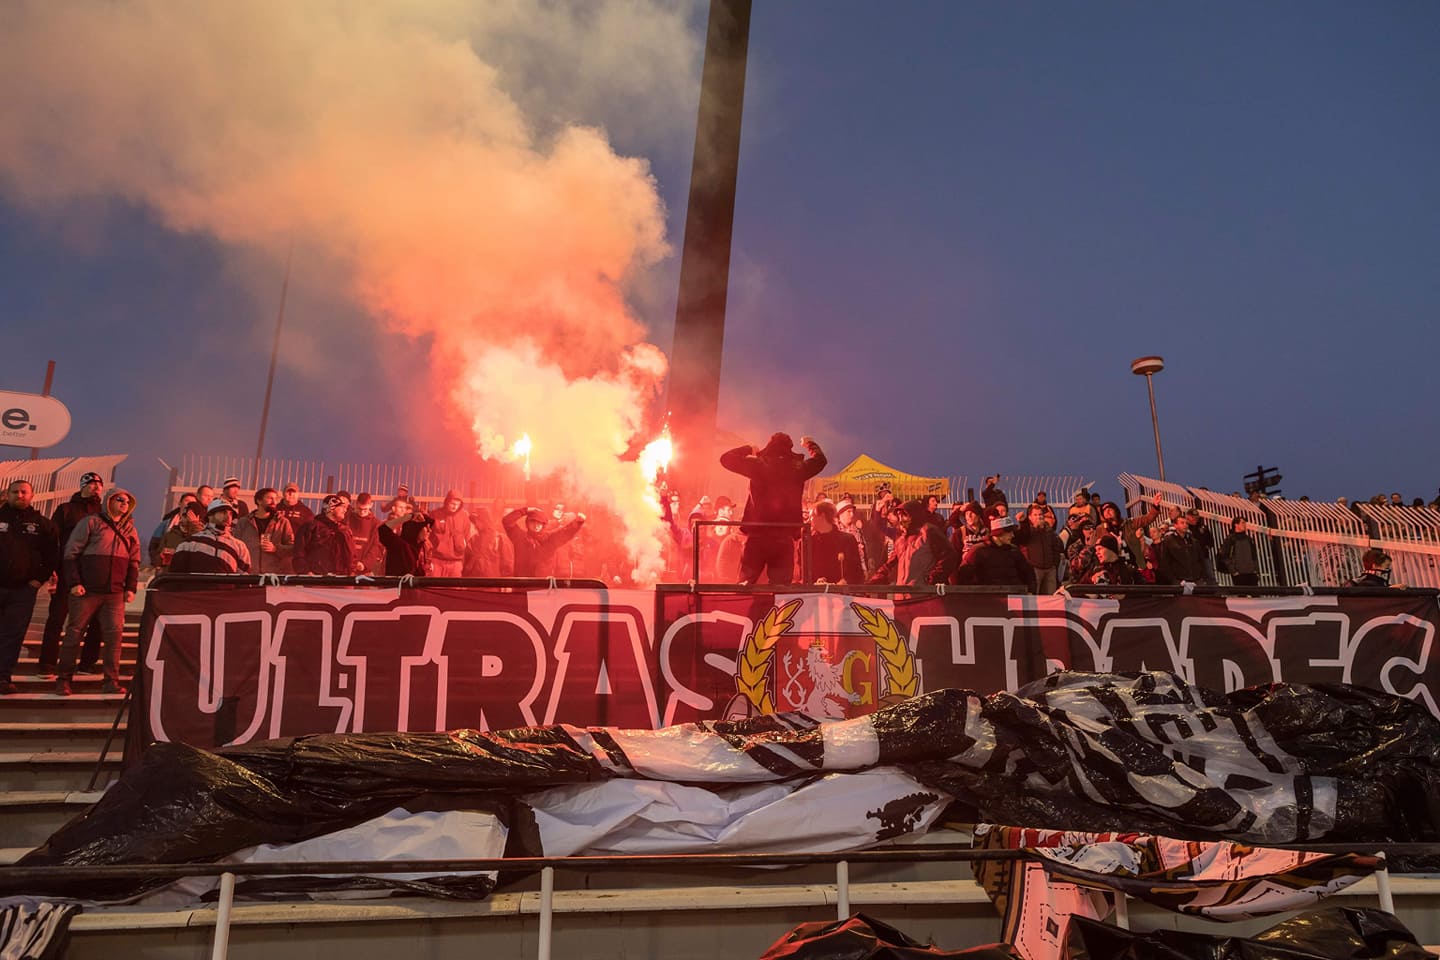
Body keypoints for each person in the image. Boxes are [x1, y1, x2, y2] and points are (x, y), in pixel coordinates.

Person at [56, 486, 141, 695]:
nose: (124, 503)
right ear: (108, 501)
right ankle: (63, 679)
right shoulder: (90, 522)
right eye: (119, 499)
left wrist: (130, 587)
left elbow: (134, 561)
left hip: (115, 593)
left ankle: (111, 681)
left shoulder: (130, 530)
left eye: (127, 501)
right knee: (74, 634)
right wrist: (74, 583)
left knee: (114, 638)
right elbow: (71, 553)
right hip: (87, 590)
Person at [719, 433, 827, 585]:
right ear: (789, 448)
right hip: (783, 538)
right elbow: (821, 460)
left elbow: (726, 458)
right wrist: (810, 444)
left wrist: (749, 449)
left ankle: (744, 599)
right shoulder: (798, 468)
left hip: (757, 536)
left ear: (769, 446)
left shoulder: (758, 465)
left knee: (746, 584)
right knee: (781, 588)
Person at [38, 470, 106, 677]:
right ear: (83, 486)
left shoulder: (104, 511)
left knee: (96, 621)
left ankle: (87, 663)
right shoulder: (66, 509)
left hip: (95, 573)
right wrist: (52, 568)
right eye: (92, 483)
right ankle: (47, 663)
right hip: (68, 571)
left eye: (99, 484)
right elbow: (52, 540)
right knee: (57, 618)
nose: (96, 487)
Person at [0, 481, 59, 695]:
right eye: (15, 492)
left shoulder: (43, 525)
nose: (19, 495)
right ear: (7, 494)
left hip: (22, 591)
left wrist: (37, 581)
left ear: (32, 495)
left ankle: (3, 677)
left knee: (12, 635)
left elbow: (52, 556)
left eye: (24, 492)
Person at [867, 499, 957, 586]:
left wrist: (931, 579)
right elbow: (889, 565)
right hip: (903, 592)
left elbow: (949, 555)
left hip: (922, 593)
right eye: (899, 516)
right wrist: (871, 582)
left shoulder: (928, 531)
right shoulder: (901, 539)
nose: (901, 519)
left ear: (914, 514)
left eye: (904, 515)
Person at [170, 500, 253, 575]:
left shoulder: (240, 546)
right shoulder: (188, 544)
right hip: (196, 587)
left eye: (231, 514)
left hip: (226, 588)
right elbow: (175, 578)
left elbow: (244, 579)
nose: (228, 517)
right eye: (222, 512)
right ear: (210, 515)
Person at [503, 506, 585, 578]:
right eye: (533, 522)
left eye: (539, 523)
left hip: (544, 586)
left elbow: (565, 532)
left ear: (543, 524)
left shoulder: (550, 539)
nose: (536, 525)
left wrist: (577, 522)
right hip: (522, 586)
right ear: (527, 523)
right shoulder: (520, 538)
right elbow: (507, 521)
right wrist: (526, 510)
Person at [956, 516, 1034, 592]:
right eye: (1009, 532)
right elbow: (964, 575)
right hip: (989, 597)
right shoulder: (979, 551)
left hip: (1013, 596)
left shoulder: (1014, 550)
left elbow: (1027, 573)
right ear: (998, 533)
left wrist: (1030, 591)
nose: (1012, 535)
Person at [234, 488, 296, 575]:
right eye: (270, 498)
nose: (274, 502)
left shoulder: (282, 522)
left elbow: (292, 548)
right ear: (259, 501)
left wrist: (276, 548)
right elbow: (235, 546)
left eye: (275, 499)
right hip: (248, 574)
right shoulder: (244, 522)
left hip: (273, 575)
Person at [293, 494, 357, 575]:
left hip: (342, 579)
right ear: (330, 508)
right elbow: (299, 552)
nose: (345, 510)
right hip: (317, 579)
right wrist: (306, 572)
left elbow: (352, 555)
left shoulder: (345, 530)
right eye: (341, 507)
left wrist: (352, 573)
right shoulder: (310, 527)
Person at [808, 501, 863, 584]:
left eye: (812, 516)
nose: (809, 520)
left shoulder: (847, 540)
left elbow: (856, 572)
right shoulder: (807, 542)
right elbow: (801, 575)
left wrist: (846, 581)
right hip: (814, 591)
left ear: (822, 516)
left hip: (841, 591)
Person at [377, 499, 434, 576]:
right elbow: (383, 530)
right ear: (416, 528)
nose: (429, 530)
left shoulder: (425, 547)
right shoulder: (400, 545)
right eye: (426, 527)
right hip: (397, 584)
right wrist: (408, 517)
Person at [1015, 504, 1063, 594]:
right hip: (1034, 569)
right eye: (1035, 515)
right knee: (1035, 595)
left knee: (1050, 597)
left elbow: (1057, 547)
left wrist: (1054, 564)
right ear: (1030, 517)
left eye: (1040, 514)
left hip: (1050, 569)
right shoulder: (1028, 531)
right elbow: (1022, 537)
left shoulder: (1049, 531)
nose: (1039, 517)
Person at [423, 489, 470, 577]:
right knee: (434, 584)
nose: (455, 507)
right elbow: (426, 536)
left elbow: (467, 537)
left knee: (455, 585)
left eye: (458, 504)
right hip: (436, 560)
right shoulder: (435, 514)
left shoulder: (464, 517)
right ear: (447, 501)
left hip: (456, 562)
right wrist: (428, 559)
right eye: (452, 504)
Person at [1156, 514, 1206, 585]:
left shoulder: (1193, 541)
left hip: (1197, 580)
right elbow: (1165, 563)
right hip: (1180, 582)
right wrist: (1175, 581)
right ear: (1175, 525)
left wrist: (1202, 577)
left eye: (1186, 523)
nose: (1185, 525)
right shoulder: (1168, 541)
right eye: (1182, 523)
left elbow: (1201, 560)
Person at [158, 500, 207, 568]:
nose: (183, 518)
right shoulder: (170, 534)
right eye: (183, 515)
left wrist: (195, 524)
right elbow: (156, 559)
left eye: (188, 516)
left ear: (198, 518)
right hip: (171, 572)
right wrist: (160, 557)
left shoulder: (205, 534)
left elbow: (202, 551)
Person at [1217, 517, 1261, 587]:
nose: (1245, 525)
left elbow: (1254, 555)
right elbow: (1225, 556)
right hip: (1239, 573)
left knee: (1254, 592)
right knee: (1242, 593)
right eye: (1242, 523)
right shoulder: (1230, 539)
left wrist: (1256, 570)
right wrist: (1233, 571)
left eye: (1245, 523)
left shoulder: (1248, 539)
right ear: (1236, 525)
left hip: (1251, 573)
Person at [346, 493, 383, 575]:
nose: (362, 512)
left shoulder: (376, 524)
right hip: (347, 567)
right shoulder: (348, 520)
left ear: (371, 505)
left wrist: (365, 564)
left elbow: (376, 547)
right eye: (359, 509)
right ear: (356, 504)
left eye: (365, 509)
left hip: (365, 570)